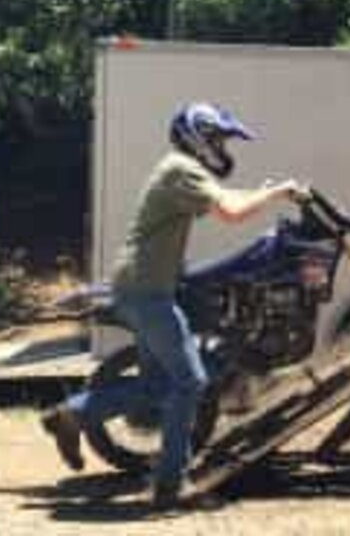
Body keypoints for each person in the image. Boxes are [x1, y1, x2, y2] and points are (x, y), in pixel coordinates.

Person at [40, 102, 302, 509]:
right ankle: (170, 486)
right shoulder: (182, 169)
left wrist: (263, 191)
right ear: (197, 136)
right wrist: (277, 192)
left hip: (144, 286)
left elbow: (226, 197)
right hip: (148, 291)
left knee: (155, 385)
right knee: (191, 382)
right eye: (216, 138)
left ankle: (73, 415)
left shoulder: (181, 169)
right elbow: (232, 212)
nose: (221, 146)